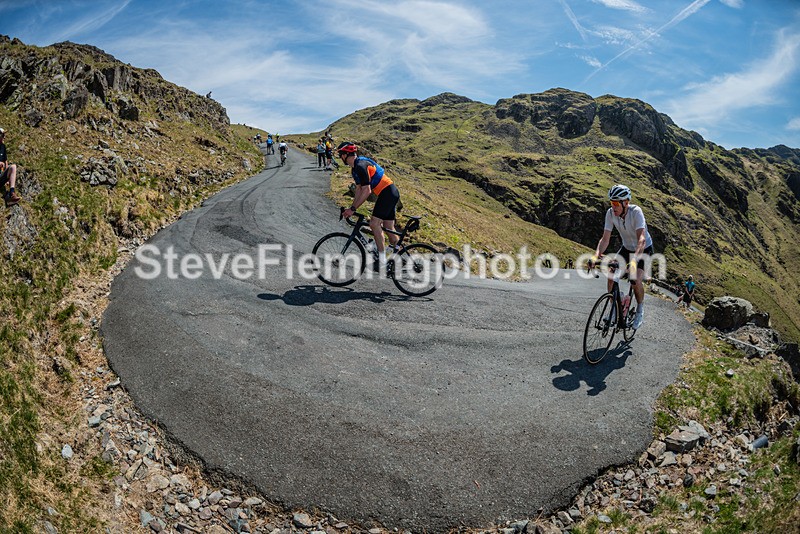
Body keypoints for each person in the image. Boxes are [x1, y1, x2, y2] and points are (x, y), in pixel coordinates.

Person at [590, 184, 654, 330]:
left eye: (616, 203)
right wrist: (595, 256)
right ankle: (614, 310)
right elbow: (605, 239)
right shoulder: (610, 213)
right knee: (611, 275)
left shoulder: (636, 212)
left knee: (635, 279)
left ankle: (640, 310)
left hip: (643, 249)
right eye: (611, 202)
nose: (613, 206)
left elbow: (642, 240)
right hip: (626, 248)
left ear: (625, 203)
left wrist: (634, 261)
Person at [339, 142, 400, 269]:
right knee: (388, 227)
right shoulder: (355, 169)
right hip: (389, 192)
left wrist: (353, 209)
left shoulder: (360, 166)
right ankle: (400, 256)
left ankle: (382, 261)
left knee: (374, 223)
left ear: (345, 154)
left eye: (340, 154)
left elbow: (367, 191)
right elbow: (359, 190)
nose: (340, 157)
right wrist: (352, 208)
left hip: (387, 192)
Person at [0, 128, 20, 207]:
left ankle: (12, 193)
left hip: (1, 176)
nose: (4, 137)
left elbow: (5, 161)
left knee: (13, 167)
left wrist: (8, 178)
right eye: (3, 135)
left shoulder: (3, 147)